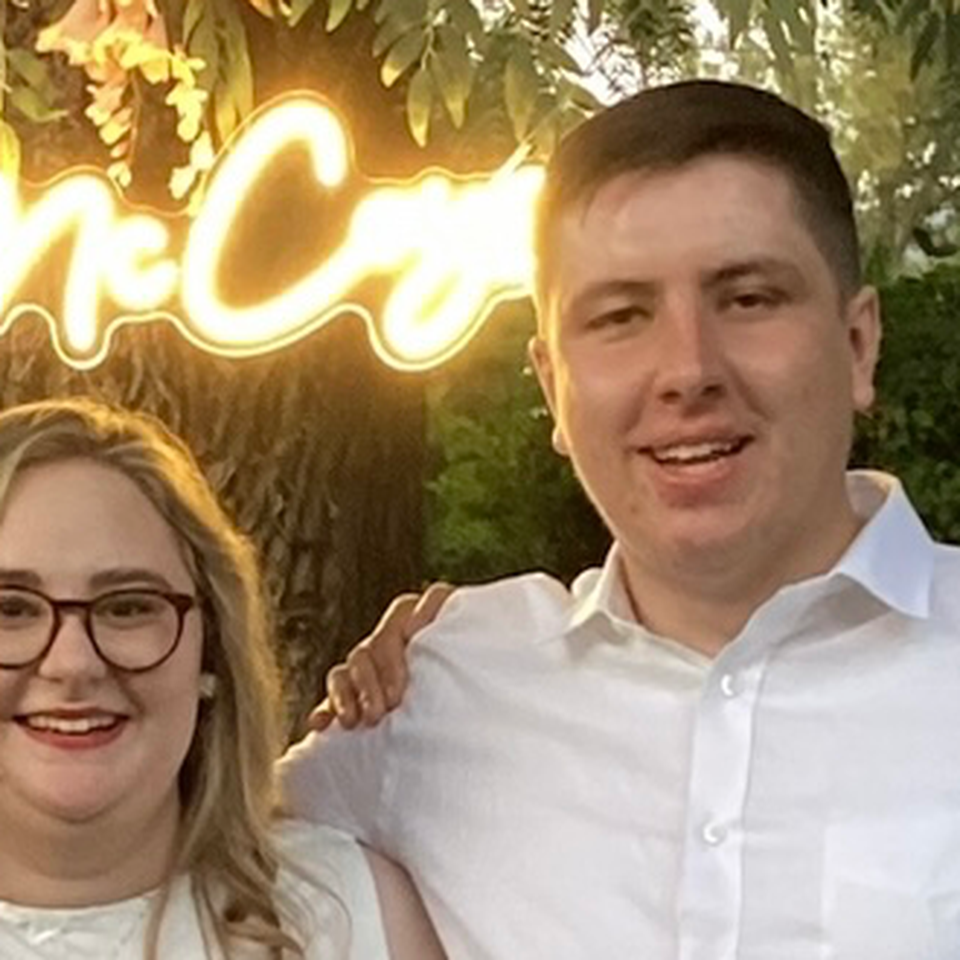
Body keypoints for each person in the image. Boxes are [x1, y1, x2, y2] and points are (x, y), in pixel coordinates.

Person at [278, 78, 960, 959]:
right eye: (620, 316)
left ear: (859, 344)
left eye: (748, 298)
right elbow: (157, 874)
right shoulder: (439, 696)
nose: (688, 370)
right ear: (553, 386)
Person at [0, 397, 444, 959]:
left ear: (211, 648)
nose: (72, 663)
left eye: (128, 607)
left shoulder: (345, 916)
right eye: (11, 609)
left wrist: (460, 637)